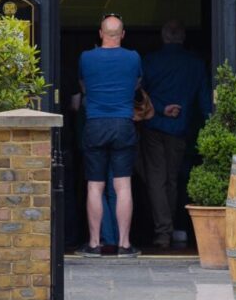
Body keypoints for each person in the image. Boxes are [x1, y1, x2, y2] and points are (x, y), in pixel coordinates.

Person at [73, 14, 143, 257]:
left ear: (101, 33)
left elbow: (83, 86)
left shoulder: (86, 58)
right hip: (123, 123)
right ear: (122, 35)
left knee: (95, 186)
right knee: (123, 185)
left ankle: (94, 243)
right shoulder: (133, 57)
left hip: (95, 123)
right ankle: (124, 244)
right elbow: (136, 83)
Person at [139, 21, 207, 250]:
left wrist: (158, 108)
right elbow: (205, 102)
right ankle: (171, 228)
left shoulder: (150, 61)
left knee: (157, 180)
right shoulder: (195, 64)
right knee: (172, 179)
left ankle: (163, 232)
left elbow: (139, 93)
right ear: (183, 37)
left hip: (152, 126)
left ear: (163, 36)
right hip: (179, 128)